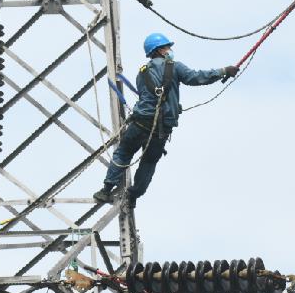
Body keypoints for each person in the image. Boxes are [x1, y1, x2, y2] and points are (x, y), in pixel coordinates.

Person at [93, 32, 238, 204]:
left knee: (123, 153)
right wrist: (223, 71)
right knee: (148, 163)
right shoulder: (174, 67)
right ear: (161, 50)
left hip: (139, 123)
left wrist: (173, 106)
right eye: (167, 47)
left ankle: (106, 189)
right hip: (159, 130)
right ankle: (132, 196)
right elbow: (196, 77)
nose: (170, 50)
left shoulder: (142, 73)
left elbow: (149, 98)